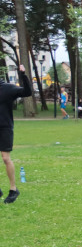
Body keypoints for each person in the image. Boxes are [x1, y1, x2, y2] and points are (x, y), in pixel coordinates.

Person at [1, 64, 33, 204]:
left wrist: (23, 75)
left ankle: (13, 190)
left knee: (5, 158)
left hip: (5, 128)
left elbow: (27, 92)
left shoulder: (7, 88)